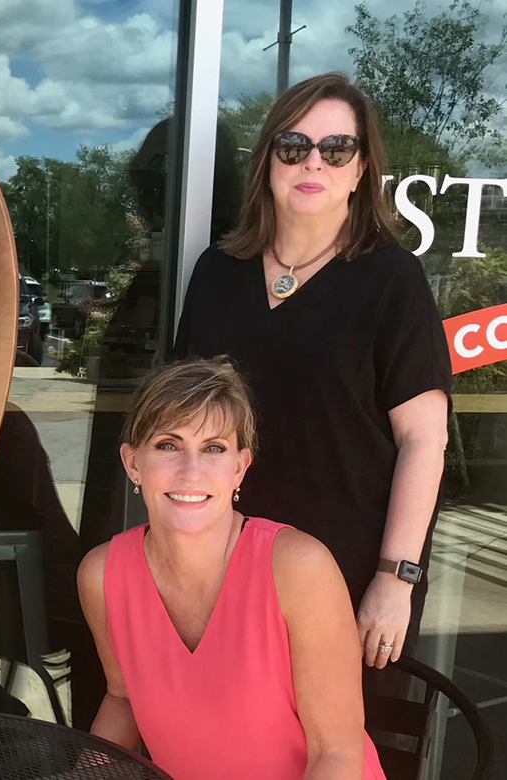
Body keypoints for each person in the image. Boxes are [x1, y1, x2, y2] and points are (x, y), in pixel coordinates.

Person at [173, 73, 451, 673]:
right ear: (269, 161)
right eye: (293, 146)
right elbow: (179, 421)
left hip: (345, 571)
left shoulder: (391, 280)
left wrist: (394, 579)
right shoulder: (218, 272)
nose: (313, 162)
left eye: (337, 149)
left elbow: (424, 440)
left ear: (360, 170)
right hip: (218, 561)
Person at [78, 357, 387, 779]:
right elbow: (124, 698)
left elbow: (336, 751)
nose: (191, 472)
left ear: (239, 467)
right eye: (168, 445)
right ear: (134, 463)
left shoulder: (298, 567)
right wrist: (86, 773)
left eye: (214, 449)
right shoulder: (101, 575)